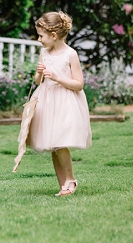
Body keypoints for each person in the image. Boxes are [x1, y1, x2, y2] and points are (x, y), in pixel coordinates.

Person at [28, 11, 92, 196]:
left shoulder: (70, 55)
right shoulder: (44, 52)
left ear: (53, 35)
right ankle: (63, 184)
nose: (39, 39)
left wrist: (57, 76)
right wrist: (40, 73)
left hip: (65, 102)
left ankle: (71, 179)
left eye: (41, 36)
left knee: (60, 142)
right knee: (53, 146)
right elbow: (38, 81)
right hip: (47, 103)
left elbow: (78, 84)